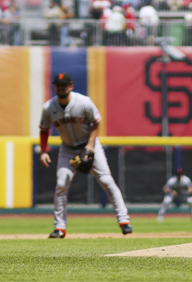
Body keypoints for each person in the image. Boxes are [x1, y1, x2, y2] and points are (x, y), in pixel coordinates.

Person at [39, 72, 131, 238]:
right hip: (68, 149)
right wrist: (44, 150)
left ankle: (124, 221)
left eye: (64, 85)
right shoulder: (49, 108)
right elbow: (44, 129)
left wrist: (89, 147)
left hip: (90, 144)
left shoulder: (83, 102)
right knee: (61, 184)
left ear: (71, 86)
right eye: (57, 85)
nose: (60, 87)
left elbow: (96, 122)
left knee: (106, 180)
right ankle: (59, 227)